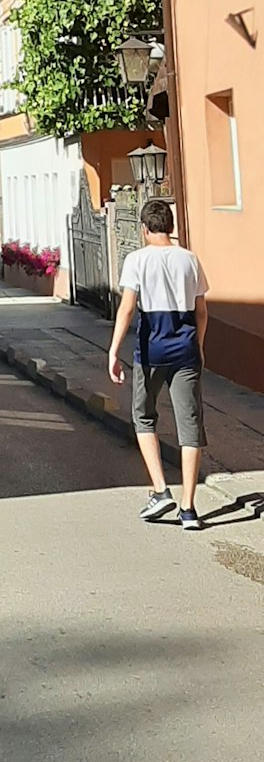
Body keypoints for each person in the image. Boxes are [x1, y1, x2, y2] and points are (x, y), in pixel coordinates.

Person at [108, 198, 209, 529]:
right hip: (185, 350)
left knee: (144, 417)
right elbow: (202, 311)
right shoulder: (190, 259)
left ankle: (160, 489)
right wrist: (199, 345)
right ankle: (189, 508)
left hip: (151, 352)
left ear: (143, 229)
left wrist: (113, 350)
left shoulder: (137, 260)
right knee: (189, 425)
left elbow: (126, 309)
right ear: (171, 227)